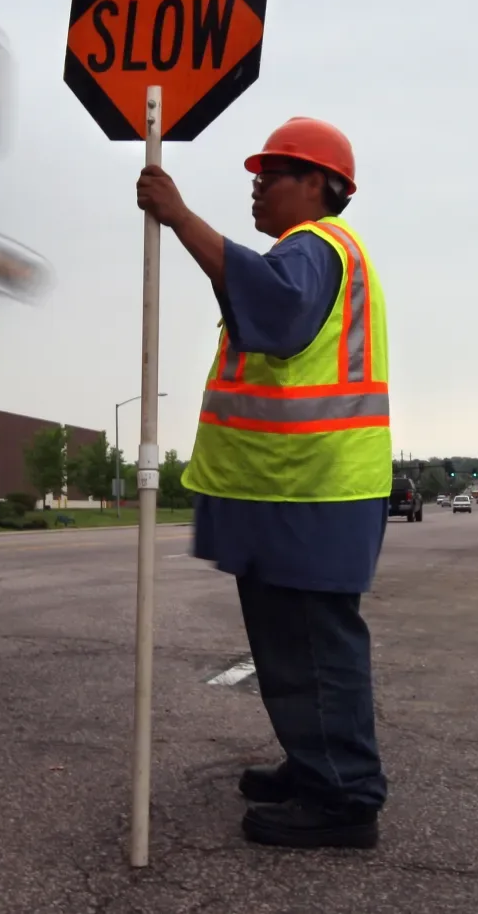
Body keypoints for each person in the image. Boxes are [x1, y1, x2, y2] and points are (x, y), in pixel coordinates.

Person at [134, 117, 390, 850]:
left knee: (311, 644)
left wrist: (179, 216)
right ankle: (318, 765)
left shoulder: (315, 249)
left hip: (310, 489)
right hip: (296, 491)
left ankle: (344, 796)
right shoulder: (309, 254)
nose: (257, 184)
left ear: (320, 186)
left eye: (272, 172)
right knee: (293, 643)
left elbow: (272, 314)